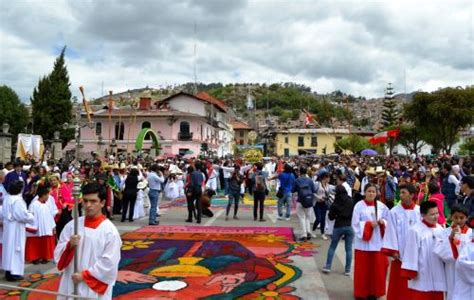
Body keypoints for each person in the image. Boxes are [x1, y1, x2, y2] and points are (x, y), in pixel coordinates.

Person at [54, 182, 122, 300]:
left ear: (102, 203)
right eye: (85, 201)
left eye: (93, 201)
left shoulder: (109, 232)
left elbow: (109, 262)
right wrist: (69, 245)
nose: (88, 205)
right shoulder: (72, 225)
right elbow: (58, 252)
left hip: (92, 286)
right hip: (71, 281)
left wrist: (84, 276)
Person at [381, 184, 421, 300]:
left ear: (412, 195)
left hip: (416, 256)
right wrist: (393, 250)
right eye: (400, 193)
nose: (401, 195)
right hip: (399, 256)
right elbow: (390, 231)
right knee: (398, 287)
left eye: (404, 193)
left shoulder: (419, 212)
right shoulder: (394, 212)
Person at [401, 200, 447, 300]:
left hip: (437, 270)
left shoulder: (440, 230)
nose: (436, 217)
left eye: (437, 213)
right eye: (432, 214)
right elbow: (411, 252)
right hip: (422, 273)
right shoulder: (415, 230)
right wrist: (411, 271)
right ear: (423, 215)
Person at [351, 183, 389, 300]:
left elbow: (388, 220)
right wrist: (368, 225)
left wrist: (383, 222)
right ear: (364, 192)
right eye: (369, 191)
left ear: (377, 193)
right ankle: (362, 292)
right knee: (363, 270)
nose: (371, 193)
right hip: (363, 243)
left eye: (373, 191)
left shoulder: (382, 206)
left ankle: (375, 291)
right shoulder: (358, 206)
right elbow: (355, 224)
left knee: (377, 270)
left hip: (377, 243)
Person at [433, 205, 472, 300]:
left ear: (466, 218)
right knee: (452, 292)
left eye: (462, 218)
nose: (458, 220)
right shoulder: (444, 232)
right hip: (452, 268)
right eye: (456, 217)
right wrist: (450, 239)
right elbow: (440, 252)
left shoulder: (471, 233)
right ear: (451, 217)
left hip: (468, 271)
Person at [2, 180, 34, 281]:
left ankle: (8, 270)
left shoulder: (7, 198)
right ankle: (14, 272)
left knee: (9, 248)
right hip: (16, 227)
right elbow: (21, 215)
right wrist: (31, 216)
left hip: (8, 226)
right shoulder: (18, 200)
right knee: (16, 248)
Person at [322, 185, 354, 276]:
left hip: (338, 226)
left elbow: (331, 217)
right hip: (349, 226)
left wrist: (335, 213)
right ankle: (347, 270)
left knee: (332, 247)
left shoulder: (335, 203)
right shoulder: (351, 201)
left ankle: (328, 266)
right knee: (348, 249)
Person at [25, 183, 56, 264]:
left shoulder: (45, 205)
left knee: (45, 243)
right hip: (37, 228)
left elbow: (50, 216)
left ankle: (44, 257)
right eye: (47, 195)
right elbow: (31, 216)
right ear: (43, 195)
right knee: (35, 243)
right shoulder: (34, 204)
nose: (48, 197)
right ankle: (35, 258)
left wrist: (52, 226)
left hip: (46, 228)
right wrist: (33, 227)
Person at [292, 166, 317, 242]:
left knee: (302, 217)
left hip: (300, 200)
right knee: (307, 217)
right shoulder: (310, 180)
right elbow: (313, 190)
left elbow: (293, 190)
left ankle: (304, 234)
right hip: (309, 200)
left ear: (300, 172)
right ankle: (308, 231)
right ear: (306, 172)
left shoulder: (297, 180)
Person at [313, 172, 332, 240]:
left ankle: (322, 233)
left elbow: (329, 193)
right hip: (317, 203)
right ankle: (313, 230)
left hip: (324, 203)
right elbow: (313, 193)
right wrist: (318, 198)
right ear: (324, 177)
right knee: (318, 218)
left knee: (323, 219)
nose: (329, 179)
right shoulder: (317, 184)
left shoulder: (328, 185)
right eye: (328, 177)